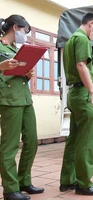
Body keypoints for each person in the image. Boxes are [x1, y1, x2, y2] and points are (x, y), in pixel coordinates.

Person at [59, 13, 93, 195]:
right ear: (91, 23)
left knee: (73, 138)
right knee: (86, 140)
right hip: (82, 94)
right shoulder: (82, 39)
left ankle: (67, 180)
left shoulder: (71, 40)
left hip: (73, 93)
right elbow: (81, 65)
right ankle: (84, 184)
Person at [0, 15, 44, 200]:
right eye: (25, 31)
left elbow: (16, 73)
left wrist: (27, 73)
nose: (25, 35)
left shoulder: (14, 49)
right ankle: (10, 189)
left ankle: (23, 181)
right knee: (9, 146)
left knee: (32, 141)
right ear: (16, 27)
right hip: (9, 99)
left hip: (25, 99)